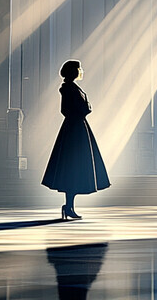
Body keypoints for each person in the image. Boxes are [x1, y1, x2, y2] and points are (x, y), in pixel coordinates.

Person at [42, 60, 110, 219]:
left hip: (77, 128)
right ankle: (69, 207)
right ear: (73, 71)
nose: (81, 71)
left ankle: (69, 207)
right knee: (72, 168)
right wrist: (82, 111)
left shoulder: (71, 88)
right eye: (79, 69)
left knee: (73, 168)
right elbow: (66, 109)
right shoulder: (68, 89)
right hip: (74, 130)